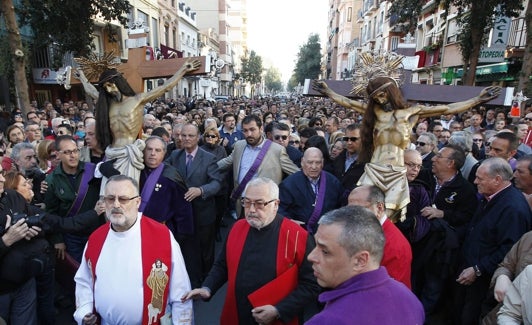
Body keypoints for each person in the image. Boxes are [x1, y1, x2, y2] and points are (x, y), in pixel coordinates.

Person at [314, 76, 500, 220]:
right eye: (374, 97)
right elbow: (348, 102)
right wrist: (329, 92)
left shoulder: (411, 112)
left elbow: (448, 109)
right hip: (374, 169)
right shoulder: (375, 112)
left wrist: (477, 99)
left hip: (396, 172)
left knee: (389, 218)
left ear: (391, 92)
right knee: (363, 213)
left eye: (381, 94)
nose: (378, 99)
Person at [182, 177, 320, 324]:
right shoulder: (237, 228)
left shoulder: (298, 236)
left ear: (276, 204)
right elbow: (223, 265)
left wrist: (279, 310)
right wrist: (207, 287)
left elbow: (312, 284)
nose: (251, 210)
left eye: (259, 204)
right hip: (237, 312)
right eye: (247, 202)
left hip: (276, 317)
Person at [73, 175, 193, 325]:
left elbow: (180, 291)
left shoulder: (161, 236)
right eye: (110, 199)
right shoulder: (96, 238)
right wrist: (84, 312)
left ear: (137, 202)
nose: (116, 204)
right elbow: (84, 281)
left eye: (123, 199)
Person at [76, 59, 200, 188]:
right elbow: (91, 91)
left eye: (110, 84)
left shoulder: (137, 100)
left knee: (126, 191)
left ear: (118, 82)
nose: (108, 89)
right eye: (105, 87)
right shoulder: (109, 104)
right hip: (112, 153)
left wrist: (183, 70)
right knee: (109, 192)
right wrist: (82, 78)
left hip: (129, 154)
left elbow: (164, 87)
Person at [305, 205, 425, 325]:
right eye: (315, 245)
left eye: (325, 252)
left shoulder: (328, 320)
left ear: (360, 261)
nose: (311, 257)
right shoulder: (410, 300)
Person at [453, 158, 531, 324]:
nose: (475, 182)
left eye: (480, 179)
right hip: (469, 275)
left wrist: (478, 269)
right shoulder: (489, 196)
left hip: (484, 283)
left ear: (497, 180)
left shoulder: (513, 208)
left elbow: (509, 250)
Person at [166, 124, 222, 288]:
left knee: (205, 249)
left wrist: (201, 190)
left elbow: (217, 183)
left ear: (198, 137)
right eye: (183, 136)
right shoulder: (175, 156)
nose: (186, 139)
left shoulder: (209, 158)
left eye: (190, 136)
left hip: (203, 212)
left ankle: (207, 281)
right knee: (186, 249)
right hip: (181, 214)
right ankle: (188, 279)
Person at [217, 115, 299, 215]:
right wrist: (205, 167)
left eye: (252, 130)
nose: (249, 134)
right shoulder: (239, 146)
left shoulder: (277, 150)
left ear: (261, 129)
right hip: (243, 205)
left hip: (264, 207)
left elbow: (296, 173)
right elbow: (226, 162)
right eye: (245, 131)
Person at [44, 135, 101, 262]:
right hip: (71, 236)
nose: (73, 155)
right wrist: (58, 240)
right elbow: (52, 213)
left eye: (75, 151)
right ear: (58, 155)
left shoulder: (93, 170)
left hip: (95, 231)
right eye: (67, 152)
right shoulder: (51, 180)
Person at [348, 185, 413, 289]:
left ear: (379, 208)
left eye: (359, 209)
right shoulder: (365, 230)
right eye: (350, 210)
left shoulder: (395, 245)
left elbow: (389, 292)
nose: (352, 215)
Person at [279, 148, 342, 233]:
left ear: (322, 163)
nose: (314, 167)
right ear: (302, 162)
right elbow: (279, 208)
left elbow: (340, 207)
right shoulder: (289, 184)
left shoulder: (333, 182)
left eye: (318, 162)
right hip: (299, 232)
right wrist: (290, 221)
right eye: (310, 162)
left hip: (326, 233)